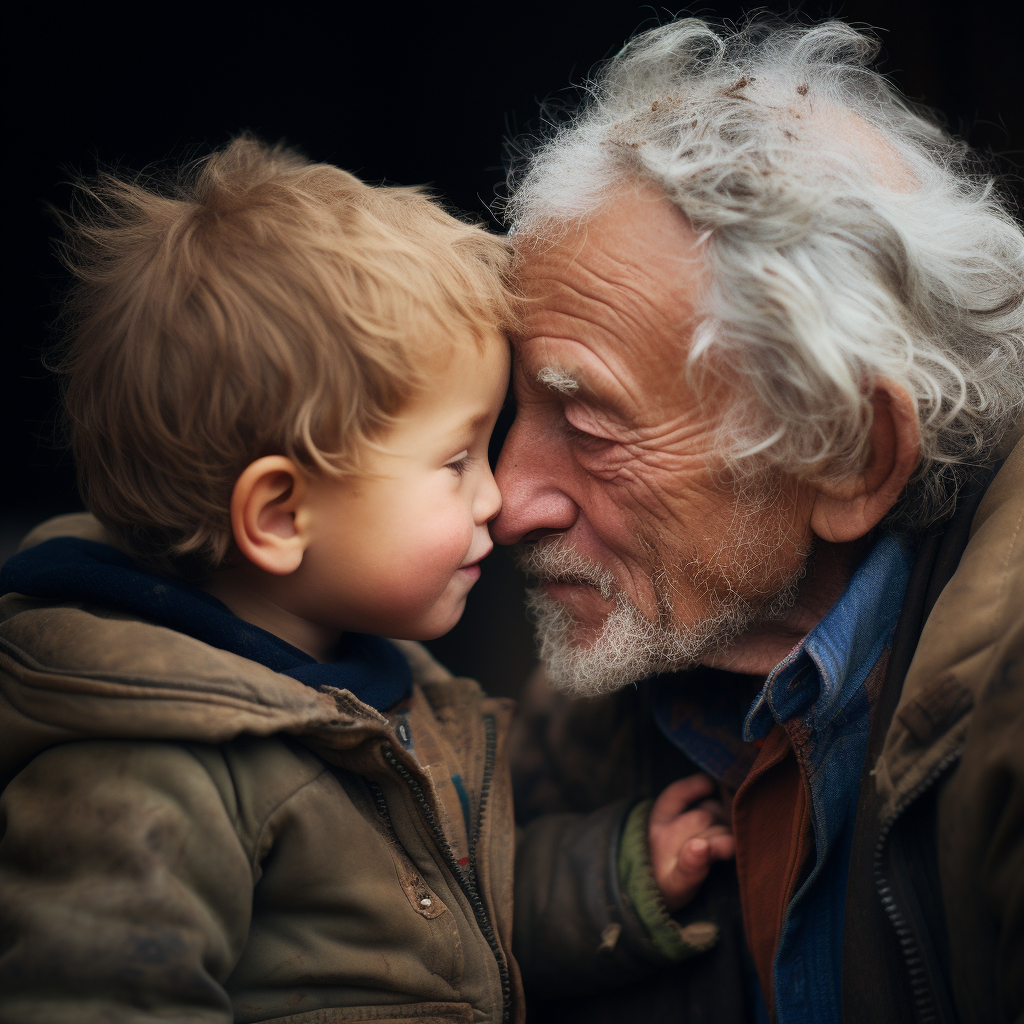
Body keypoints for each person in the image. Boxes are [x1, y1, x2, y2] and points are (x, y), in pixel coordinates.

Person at [0, 135, 732, 1023]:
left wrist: (615, 879)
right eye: (456, 459)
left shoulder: (379, 688)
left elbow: (450, 920)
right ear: (279, 516)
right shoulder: (140, 773)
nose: (496, 499)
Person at [497, 17, 1023, 1024]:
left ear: (847, 454)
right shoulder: (584, 719)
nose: (505, 495)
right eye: (507, 410)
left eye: (588, 424)